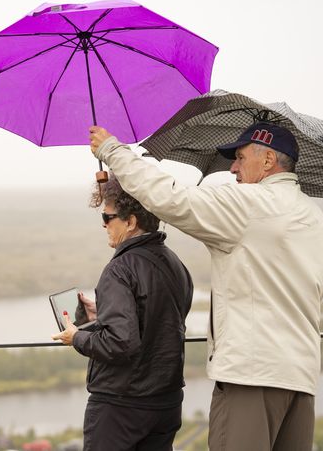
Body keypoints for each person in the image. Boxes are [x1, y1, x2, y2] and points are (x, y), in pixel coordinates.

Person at [89, 122, 323, 451]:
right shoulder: (315, 218)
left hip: (251, 376)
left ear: (268, 160)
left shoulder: (251, 205)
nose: (232, 167)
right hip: (300, 380)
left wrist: (112, 151)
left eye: (240, 157)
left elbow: (172, 198)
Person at [52, 176, 193, 451]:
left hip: (122, 404)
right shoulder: (175, 263)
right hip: (166, 401)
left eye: (107, 217)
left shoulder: (120, 269)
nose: (104, 225)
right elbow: (160, 319)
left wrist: (76, 337)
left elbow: (121, 343)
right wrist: (103, 313)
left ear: (130, 222)